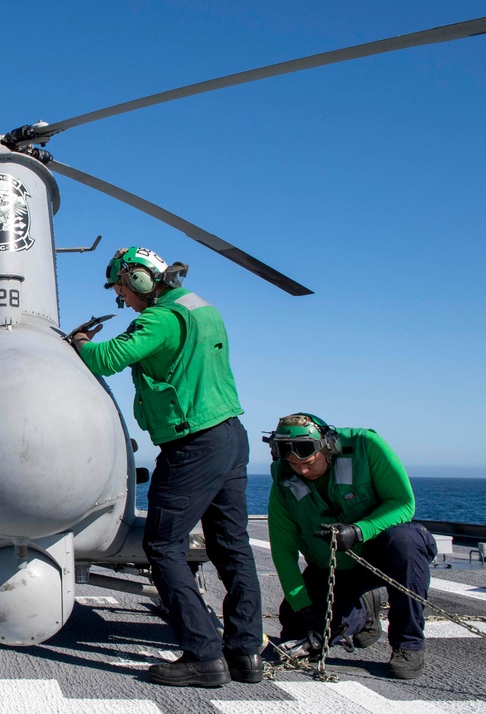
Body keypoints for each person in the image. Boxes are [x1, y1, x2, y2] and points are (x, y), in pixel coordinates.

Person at [71, 246, 263, 688]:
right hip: (231, 435)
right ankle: (244, 652)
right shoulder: (202, 307)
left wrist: (81, 342)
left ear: (140, 280)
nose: (125, 301)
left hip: (193, 443)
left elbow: (107, 359)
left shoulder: (156, 319)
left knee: (162, 546)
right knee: (231, 545)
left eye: (123, 291)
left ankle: (203, 655)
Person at [265, 413, 437, 679]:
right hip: (334, 568)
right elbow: (283, 550)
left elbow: (403, 503)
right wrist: (305, 609)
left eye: (309, 463)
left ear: (328, 448)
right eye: (294, 465)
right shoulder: (283, 481)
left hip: (381, 555)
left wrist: (359, 531)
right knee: (297, 631)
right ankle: (364, 614)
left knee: (406, 542)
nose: (302, 471)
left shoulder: (366, 446)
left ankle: (408, 643)